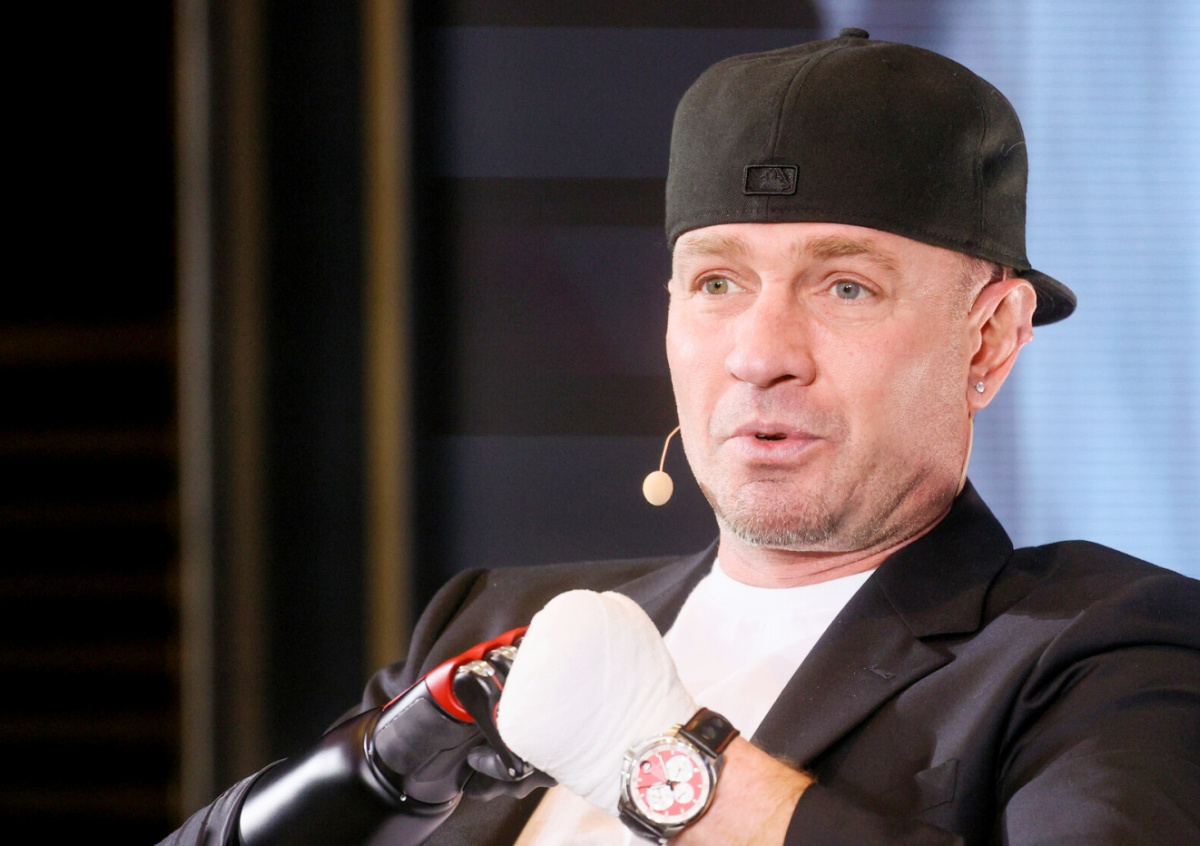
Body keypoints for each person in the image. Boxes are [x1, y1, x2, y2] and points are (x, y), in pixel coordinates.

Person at [161, 29, 1200, 846]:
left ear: (989, 339)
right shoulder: (496, 621)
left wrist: (667, 767)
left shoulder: (1097, 645)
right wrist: (370, 778)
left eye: (845, 286)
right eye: (717, 283)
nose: (760, 354)